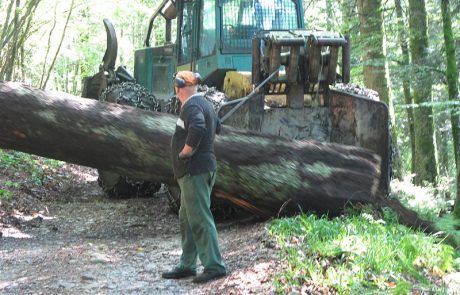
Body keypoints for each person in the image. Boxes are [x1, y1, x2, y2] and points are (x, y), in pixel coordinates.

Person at [162, 70, 226, 284]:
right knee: (187, 218)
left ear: (179, 87)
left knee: (199, 218)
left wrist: (185, 152)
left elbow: (198, 127)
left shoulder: (191, 106)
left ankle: (214, 266)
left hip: (195, 171)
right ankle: (187, 264)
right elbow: (217, 127)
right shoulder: (205, 103)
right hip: (202, 169)